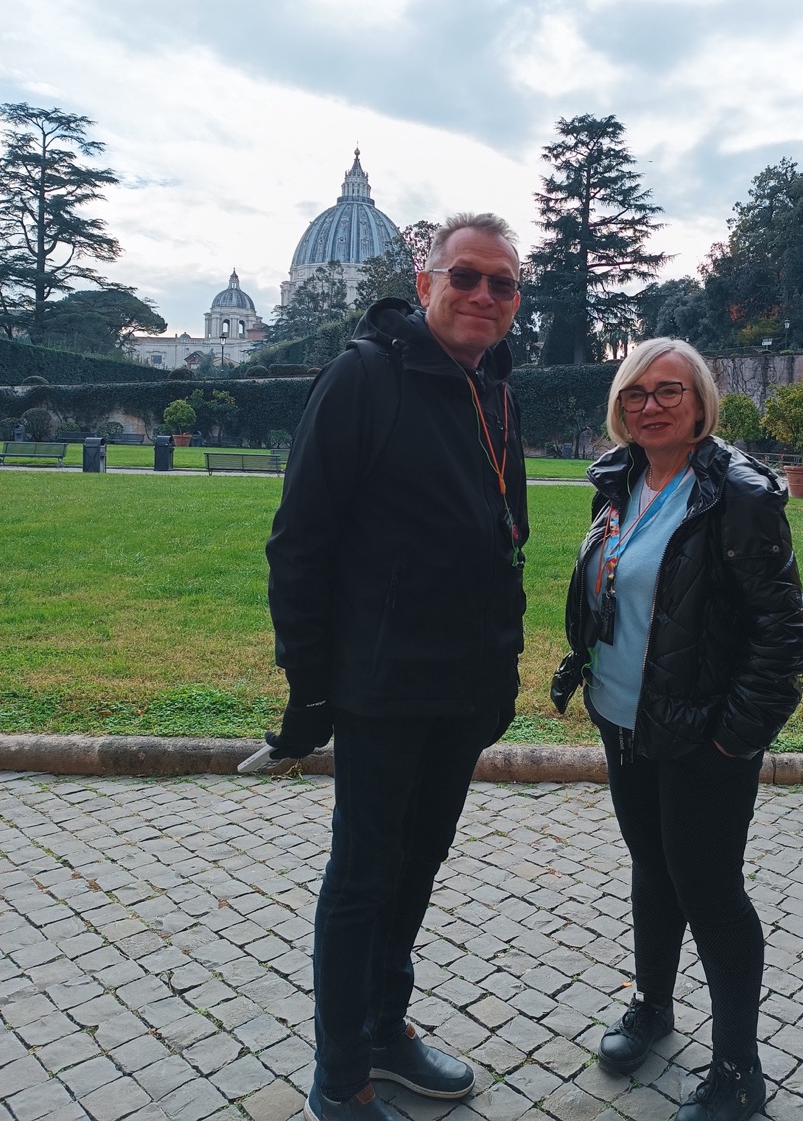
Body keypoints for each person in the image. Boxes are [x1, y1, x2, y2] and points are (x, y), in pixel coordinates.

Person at [264, 213, 527, 1121]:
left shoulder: (497, 391)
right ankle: (341, 1076)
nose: (483, 295)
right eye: (466, 276)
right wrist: (310, 689)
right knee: (363, 877)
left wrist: (503, 669)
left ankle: (385, 1026)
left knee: (419, 864)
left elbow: (506, 542)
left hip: (463, 689)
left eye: (501, 283)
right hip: (381, 688)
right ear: (425, 283)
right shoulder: (363, 377)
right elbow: (300, 544)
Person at [551, 338, 803, 1121]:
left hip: (703, 733)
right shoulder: (618, 480)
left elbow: (782, 633)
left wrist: (734, 736)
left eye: (669, 391)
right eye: (635, 393)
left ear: (701, 402)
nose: (651, 406)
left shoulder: (739, 495)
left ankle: (738, 1071)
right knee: (652, 869)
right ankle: (653, 1007)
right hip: (623, 718)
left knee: (711, 891)